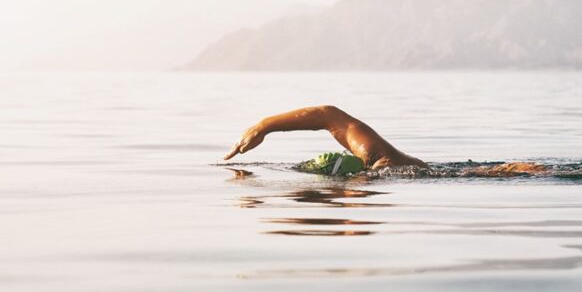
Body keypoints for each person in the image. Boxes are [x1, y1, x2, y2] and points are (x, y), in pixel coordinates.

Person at [223, 105, 547, 175]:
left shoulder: (385, 162)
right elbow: (331, 117)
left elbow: (329, 115)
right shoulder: (377, 160)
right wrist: (262, 126)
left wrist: (264, 125)